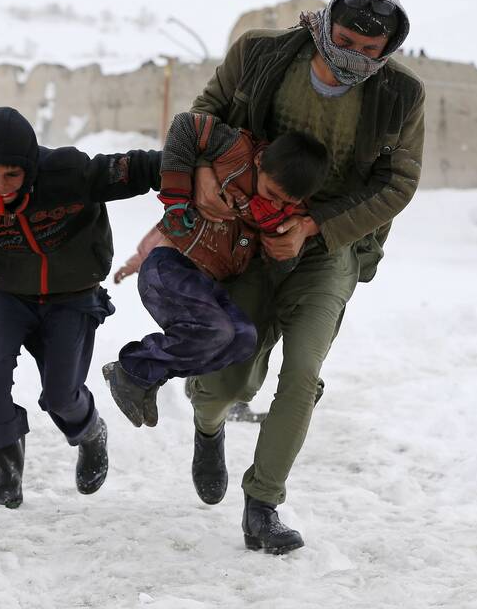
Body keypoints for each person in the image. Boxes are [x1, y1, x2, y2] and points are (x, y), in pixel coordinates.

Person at [183, 0, 424, 554]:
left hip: (328, 248)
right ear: (326, 24)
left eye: (371, 51)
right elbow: (204, 117)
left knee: (301, 371)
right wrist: (203, 175)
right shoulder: (262, 54)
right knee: (233, 376)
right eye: (345, 42)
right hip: (249, 237)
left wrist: (314, 226)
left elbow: (400, 181)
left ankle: (263, 505)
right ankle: (208, 422)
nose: (354, 59)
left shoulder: (399, 94)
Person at [0, 106, 161, 511]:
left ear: (31, 167)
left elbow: (141, 169)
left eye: (12, 176)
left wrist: (195, 169)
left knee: (60, 396)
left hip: (73, 297)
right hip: (8, 295)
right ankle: (7, 479)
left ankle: (89, 432)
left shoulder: (69, 173)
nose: (1, 187)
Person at [101, 111, 330, 428]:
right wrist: (177, 199)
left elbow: (283, 262)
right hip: (171, 266)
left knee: (242, 338)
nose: (276, 206)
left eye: (286, 203)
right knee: (219, 330)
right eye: (272, 195)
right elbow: (185, 126)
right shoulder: (236, 153)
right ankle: (134, 369)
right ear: (261, 161)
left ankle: (143, 375)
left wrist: (280, 239)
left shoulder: (282, 218)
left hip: (206, 284)